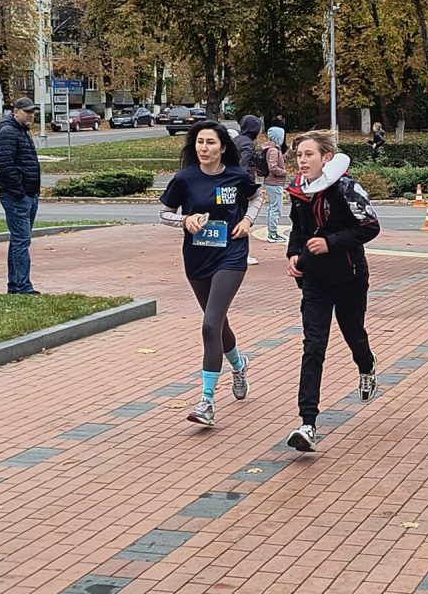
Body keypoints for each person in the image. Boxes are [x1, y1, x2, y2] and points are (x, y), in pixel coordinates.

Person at [159, 121, 264, 427]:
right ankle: (239, 364)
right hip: (197, 258)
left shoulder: (237, 176)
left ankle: (206, 401)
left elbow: (257, 197)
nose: (204, 148)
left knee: (209, 324)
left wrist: (247, 221)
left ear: (222, 147)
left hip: (231, 255)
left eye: (210, 143)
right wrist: (185, 220)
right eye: (200, 143)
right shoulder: (185, 178)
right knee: (218, 322)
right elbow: (164, 212)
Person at [285, 131, 380, 452]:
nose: (301, 161)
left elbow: (369, 226)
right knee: (313, 346)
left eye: (308, 155)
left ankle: (366, 366)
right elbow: (298, 228)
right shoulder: (300, 190)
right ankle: (307, 423)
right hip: (315, 281)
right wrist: (294, 254)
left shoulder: (345, 187)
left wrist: (330, 242)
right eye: (299, 155)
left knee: (354, 333)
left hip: (350, 276)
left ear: (326, 157)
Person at [0, 97, 42, 295]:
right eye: (27, 112)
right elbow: (6, 166)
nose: (31, 115)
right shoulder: (8, 133)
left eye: (32, 112)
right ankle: (22, 286)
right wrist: (20, 192)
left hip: (29, 194)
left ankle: (15, 285)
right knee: (21, 242)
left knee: (19, 241)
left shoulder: (22, 132)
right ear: (16, 111)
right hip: (17, 196)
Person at [233, 115, 263, 265]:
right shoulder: (247, 144)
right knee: (243, 220)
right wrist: (246, 182)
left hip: (231, 184)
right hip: (242, 187)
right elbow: (244, 165)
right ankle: (242, 254)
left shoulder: (236, 140)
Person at [261, 126, 288, 243]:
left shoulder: (273, 149)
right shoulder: (273, 150)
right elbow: (273, 167)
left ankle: (271, 232)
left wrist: (291, 150)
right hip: (275, 182)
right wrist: (284, 172)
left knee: (272, 208)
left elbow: (282, 159)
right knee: (275, 209)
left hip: (271, 182)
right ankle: (272, 234)